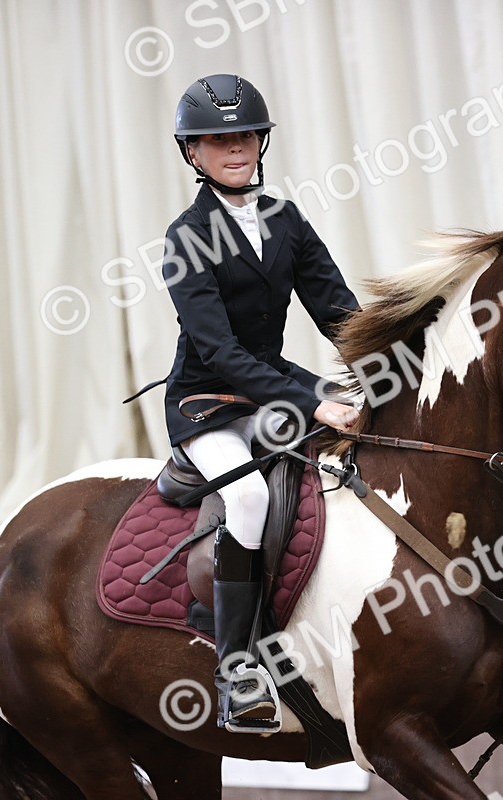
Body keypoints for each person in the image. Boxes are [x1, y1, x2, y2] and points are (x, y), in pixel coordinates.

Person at [163, 74, 359, 731]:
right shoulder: (186, 237)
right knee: (247, 498)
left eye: (245, 133)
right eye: (218, 139)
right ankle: (237, 668)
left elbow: (336, 307)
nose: (235, 146)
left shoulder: (284, 219)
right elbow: (217, 352)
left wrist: (389, 363)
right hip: (208, 400)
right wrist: (311, 398)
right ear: (193, 153)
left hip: (271, 382)